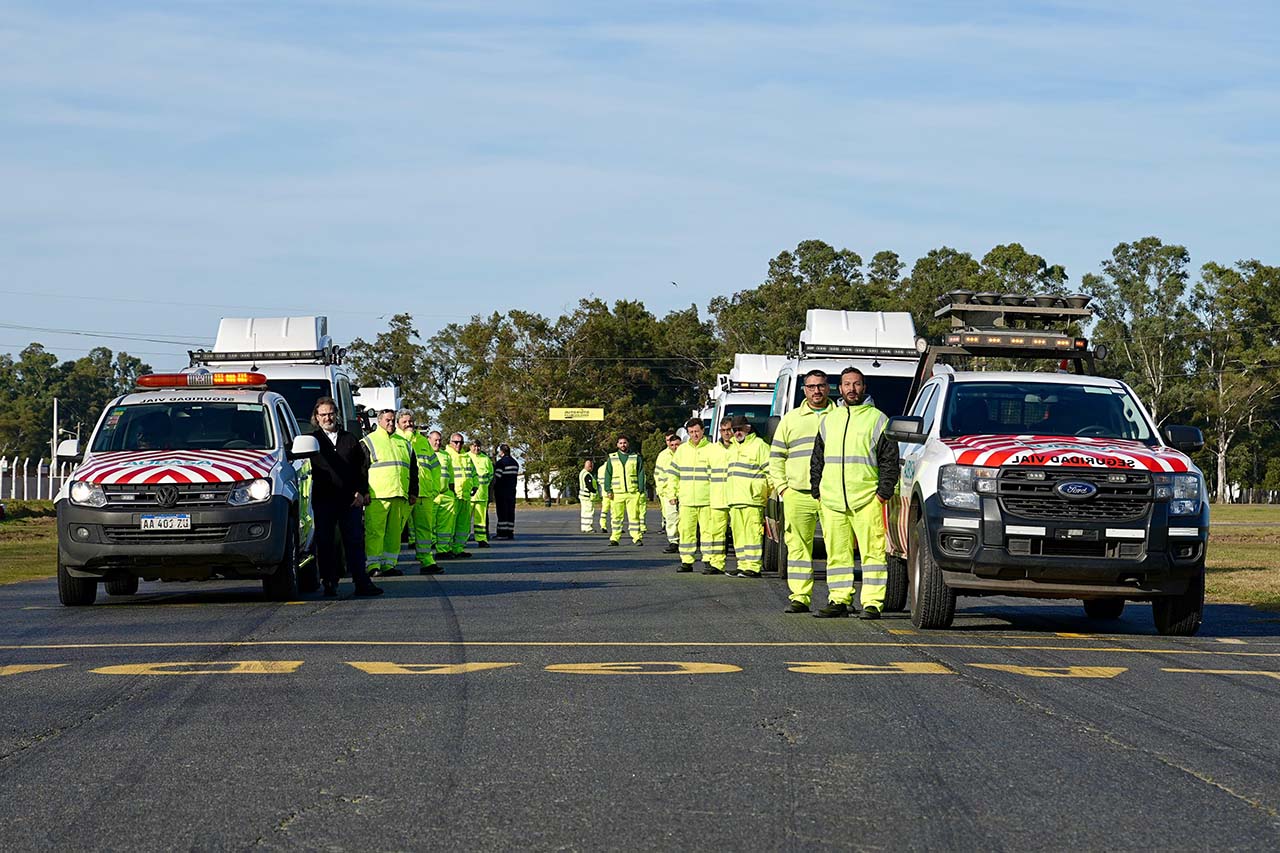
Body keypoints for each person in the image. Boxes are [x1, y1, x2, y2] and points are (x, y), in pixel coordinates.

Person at [810, 367, 900, 619]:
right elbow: (818, 457)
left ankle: (872, 602)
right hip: (832, 500)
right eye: (847, 384)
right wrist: (817, 489)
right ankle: (838, 599)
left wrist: (882, 493)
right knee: (837, 553)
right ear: (839, 389)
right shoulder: (830, 419)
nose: (851, 389)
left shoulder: (878, 418)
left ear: (864, 387)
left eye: (856, 384)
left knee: (872, 553)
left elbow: (889, 459)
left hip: (867, 499)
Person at [767, 369, 836, 613]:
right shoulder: (791, 419)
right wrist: (783, 488)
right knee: (797, 547)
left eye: (821, 385)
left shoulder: (839, 416)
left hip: (832, 494)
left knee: (837, 545)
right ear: (804, 390)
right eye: (811, 386)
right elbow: (775, 457)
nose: (816, 391)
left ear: (828, 388)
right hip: (797, 493)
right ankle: (800, 596)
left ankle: (838, 598)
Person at [308, 398, 382, 597]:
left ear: (336, 414)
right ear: (316, 417)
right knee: (326, 542)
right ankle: (329, 582)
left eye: (331, 413)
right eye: (323, 414)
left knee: (355, 541)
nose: (327, 418)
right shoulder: (311, 441)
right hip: (323, 501)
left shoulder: (350, 439)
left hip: (350, 500)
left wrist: (361, 491)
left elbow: (361, 468)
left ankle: (362, 582)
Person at [360, 409, 417, 579]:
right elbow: (361, 470)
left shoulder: (405, 443)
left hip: (399, 495)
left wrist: (413, 491)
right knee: (375, 532)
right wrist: (364, 492)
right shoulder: (368, 441)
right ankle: (373, 565)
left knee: (394, 533)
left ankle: (389, 564)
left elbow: (413, 470)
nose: (391, 423)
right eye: (387, 420)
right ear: (379, 421)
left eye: (393, 420)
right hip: (377, 496)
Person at [397, 409, 442, 574]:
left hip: (425, 494)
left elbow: (435, 467)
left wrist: (435, 488)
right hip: (405, 494)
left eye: (410, 421)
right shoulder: (396, 439)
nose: (409, 424)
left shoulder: (423, 441)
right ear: (398, 424)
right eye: (404, 422)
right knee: (396, 530)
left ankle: (427, 561)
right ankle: (389, 563)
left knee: (425, 530)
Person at [725, 414, 770, 578]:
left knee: (752, 534)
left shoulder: (759, 446)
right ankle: (742, 564)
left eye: (740, 429)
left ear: (748, 428)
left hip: (753, 500)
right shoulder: (732, 448)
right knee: (738, 535)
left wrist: (768, 493)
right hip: (735, 499)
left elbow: (771, 472)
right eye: (734, 429)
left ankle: (753, 567)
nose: (737, 432)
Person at [670, 419, 715, 573]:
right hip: (686, 500)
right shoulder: (682, 451)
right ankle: (686, 561)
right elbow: (673, 475)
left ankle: (708, 560)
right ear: (687, 433)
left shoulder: (711, 449)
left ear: (703, 431)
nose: (694, 435)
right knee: (686, 531)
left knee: (708, 532)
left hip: (707, 499)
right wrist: (672, 494)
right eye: (691, 432)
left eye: (697, 431)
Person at [602, 434, 645, 546]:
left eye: (624, 443)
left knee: (634, 516)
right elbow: (608, 474)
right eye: (620, 443)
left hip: (633, 492)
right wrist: (608, 489)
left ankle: (637, 538)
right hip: (617, 493)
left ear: (628, 444)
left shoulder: (635, 457)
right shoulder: (612, 457)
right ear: (617, 445)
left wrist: (640, 489)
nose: (623, 445)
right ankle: (615, 538)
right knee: (616, 517)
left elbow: (640, 473)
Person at [703, 417, 734, 574]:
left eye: (729, 430)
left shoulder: (740, 447)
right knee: (716, 533)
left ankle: (745, 566)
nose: (726, 433)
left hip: (737, 497)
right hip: (717, 498)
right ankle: (716, 563)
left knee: (741, 534)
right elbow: (706, 474)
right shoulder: (711, 450)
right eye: (723, 431)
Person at [444, 433, 478, 557]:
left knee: (463, 525)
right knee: (449, 525)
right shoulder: (446, 455)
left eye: (461, 442)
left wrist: (475, 485)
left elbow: (474, 473)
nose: (459, 445)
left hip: (466, 495)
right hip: (453, 496)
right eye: (456, 442)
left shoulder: (467, 457)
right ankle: (445, 549)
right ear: (450, 442)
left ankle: (458, 548)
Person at [428, 430, 460, 558]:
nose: (438, 442)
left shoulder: (446, 455)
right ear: (429, 440)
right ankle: (427, 552)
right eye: (435, 440)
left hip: (446, 494)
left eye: (439, 440)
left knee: (445, 526)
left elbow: (451, 475)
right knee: (428, 525)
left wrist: (452, 490)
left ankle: (443, 550)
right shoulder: (425, 454)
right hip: (431, 495)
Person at [653, 430, 682, 554]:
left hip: (683, 492)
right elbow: (658, 474)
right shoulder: (663, 455)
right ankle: (673, 541)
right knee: (671, 518)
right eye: (672, 445)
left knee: (683, 519)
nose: (675, 447)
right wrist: (661, 490)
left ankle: (684, 541)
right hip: (667, 493)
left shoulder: (685, 454)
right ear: (668, 444)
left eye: (677, 445)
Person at [469, 439, 494, 548]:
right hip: (469, 495)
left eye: (478, 446)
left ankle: (482, 539)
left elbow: (491, 474)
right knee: (465, 520)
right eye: (474, 446)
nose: (476, 448)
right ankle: (462, 540)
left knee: (481, 520)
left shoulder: (486, 459)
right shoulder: (466, 457)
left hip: (482, 495)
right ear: (470, 447)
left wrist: (485, 486)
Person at [492, 444, 520, 539]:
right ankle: (509, 532)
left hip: (501, 491)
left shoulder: (501, 463)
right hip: (512, 490)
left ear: (502, 452)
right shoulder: (515, 463)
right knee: (510, 511)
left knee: (502, 511)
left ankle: (502, 533)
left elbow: (497, 477)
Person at [578, 458, 600, 533]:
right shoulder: (587, 474)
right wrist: (594, 491)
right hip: (587, 496)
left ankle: (584, 527)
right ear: (590, 466)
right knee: (589, 512)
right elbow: (589, 486)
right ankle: (588, 528)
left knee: (584, 512)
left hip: (582, 496)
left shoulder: (582, 473)